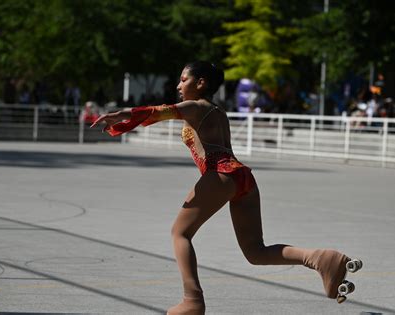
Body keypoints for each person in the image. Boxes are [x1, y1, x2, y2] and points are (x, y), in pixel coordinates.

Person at [91, 61, 358, 315]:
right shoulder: (218, 111)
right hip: (242, 178)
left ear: (201, 83)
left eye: (184, 79)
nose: (178, 85)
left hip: (220, 174)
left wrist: (119, 116)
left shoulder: (195, 106)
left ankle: (192, 301)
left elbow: (157, 112)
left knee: (179, 233)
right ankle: (320, 259)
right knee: (256, 252)